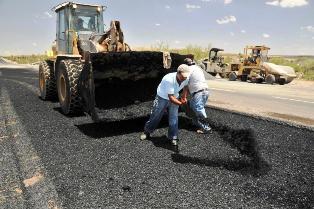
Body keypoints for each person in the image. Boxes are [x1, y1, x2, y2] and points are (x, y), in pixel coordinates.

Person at [140, 64, 191, 146]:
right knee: (156, 115)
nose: (184, 78)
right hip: (162, 97)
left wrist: (184, 97)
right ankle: (147, 131)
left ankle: (173, 137)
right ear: (178, 73)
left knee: (174, 117)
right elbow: (170, 98)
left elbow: (186, 86)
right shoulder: (169, 79)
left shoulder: (186, 78)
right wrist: (181, 104)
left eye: (185, 77)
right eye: (182, 77)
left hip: (175, 96)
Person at [184, 58, 211, 133]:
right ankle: (195, 123)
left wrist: (184, 96)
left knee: (198, 109)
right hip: (205, 91)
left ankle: (206, 128)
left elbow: (185, 82)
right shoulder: (197, 68)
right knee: (192, 107)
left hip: (199, 92)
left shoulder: (189, 69)